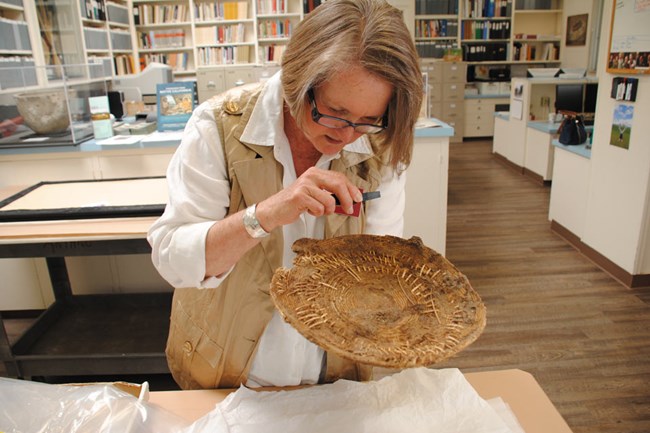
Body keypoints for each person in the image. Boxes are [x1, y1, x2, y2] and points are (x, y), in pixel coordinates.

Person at [147, 0, 423, 390]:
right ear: (298, 80)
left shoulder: (380, 147)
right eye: (333, 112)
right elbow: (173, 259)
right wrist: (265, 215)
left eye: (366, 121)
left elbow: (382, 262)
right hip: (225, 371)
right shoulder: (217, 127)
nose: (345, 136)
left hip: (334, 376)